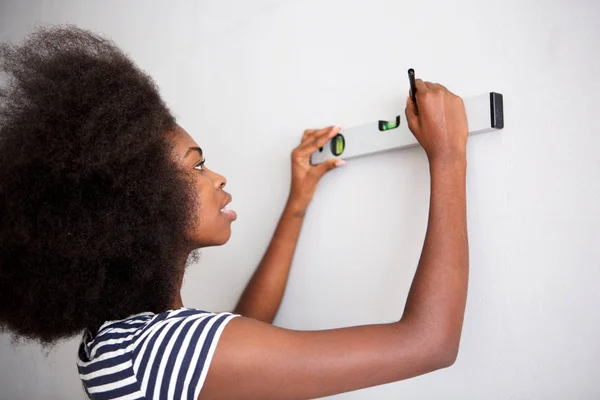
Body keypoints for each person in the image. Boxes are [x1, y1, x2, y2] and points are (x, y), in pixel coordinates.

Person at [0, 25, 469, 400]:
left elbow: (243, 339)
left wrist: (298, 200)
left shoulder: (117, 341)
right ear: (138, 201)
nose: (217, 177)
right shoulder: (164, 352)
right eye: (196, 164)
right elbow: (428, 344)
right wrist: (448, 156)